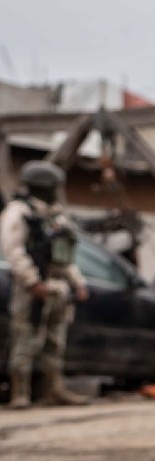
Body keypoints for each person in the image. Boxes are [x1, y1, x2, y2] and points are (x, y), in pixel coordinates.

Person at [0, 161, 90, 408]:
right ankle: (20, 393)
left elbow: (64, 257)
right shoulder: (19, 213)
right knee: (25, 339)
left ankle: (54, 389)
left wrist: (78, 283)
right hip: (31, 289)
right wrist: (32, 282)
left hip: (57, 287)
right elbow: (14, 251)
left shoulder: (54, 216)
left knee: (55, 340)